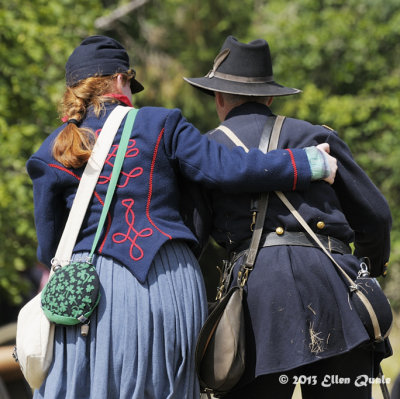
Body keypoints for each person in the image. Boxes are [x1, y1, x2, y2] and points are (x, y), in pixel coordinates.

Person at [26, 35, 336, 399]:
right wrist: (306, 162)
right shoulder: (161, 124)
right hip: (162, 276)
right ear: (121, 80)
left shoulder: (51, 149)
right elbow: (229, 168)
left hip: (87, 292)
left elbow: (49, 246)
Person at [184, 36, 392, 399]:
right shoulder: (317, 135)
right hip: (335, 293)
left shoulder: (207, 152)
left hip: (256, 306)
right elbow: (375, 216)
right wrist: (367, 269)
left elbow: (192, 240)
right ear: (269, 97)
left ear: (218, 98)